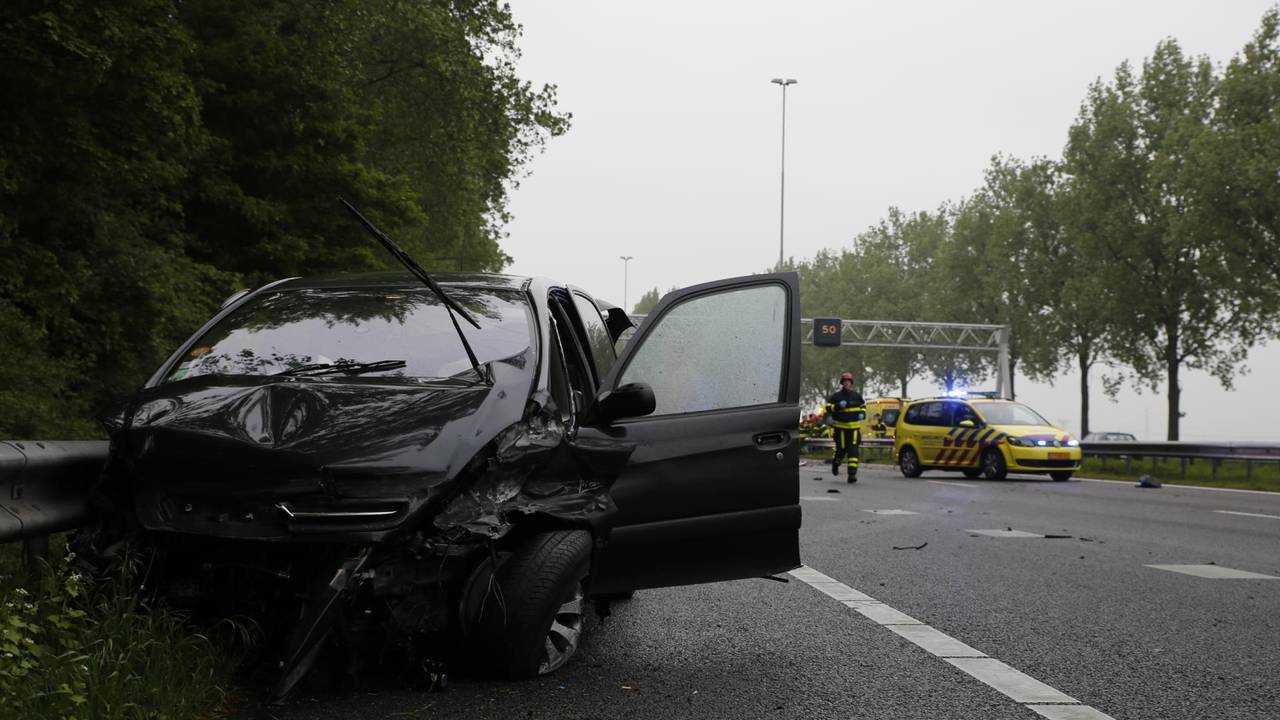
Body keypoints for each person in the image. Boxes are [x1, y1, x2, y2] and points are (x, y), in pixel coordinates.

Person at [824, 372, 866, 482]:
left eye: (849, 381)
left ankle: (852, 475)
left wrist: (862, 413)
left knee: (853, 452)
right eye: (845, 381)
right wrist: (837, 406)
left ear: (851, 383)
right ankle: (836, 464)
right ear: (842, 383)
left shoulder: (856, 396)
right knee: (841, 450)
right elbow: (828, 407)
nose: (847, 383)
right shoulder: (836, 396)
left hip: (854, 429)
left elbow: (863, 406)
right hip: (840, 429)